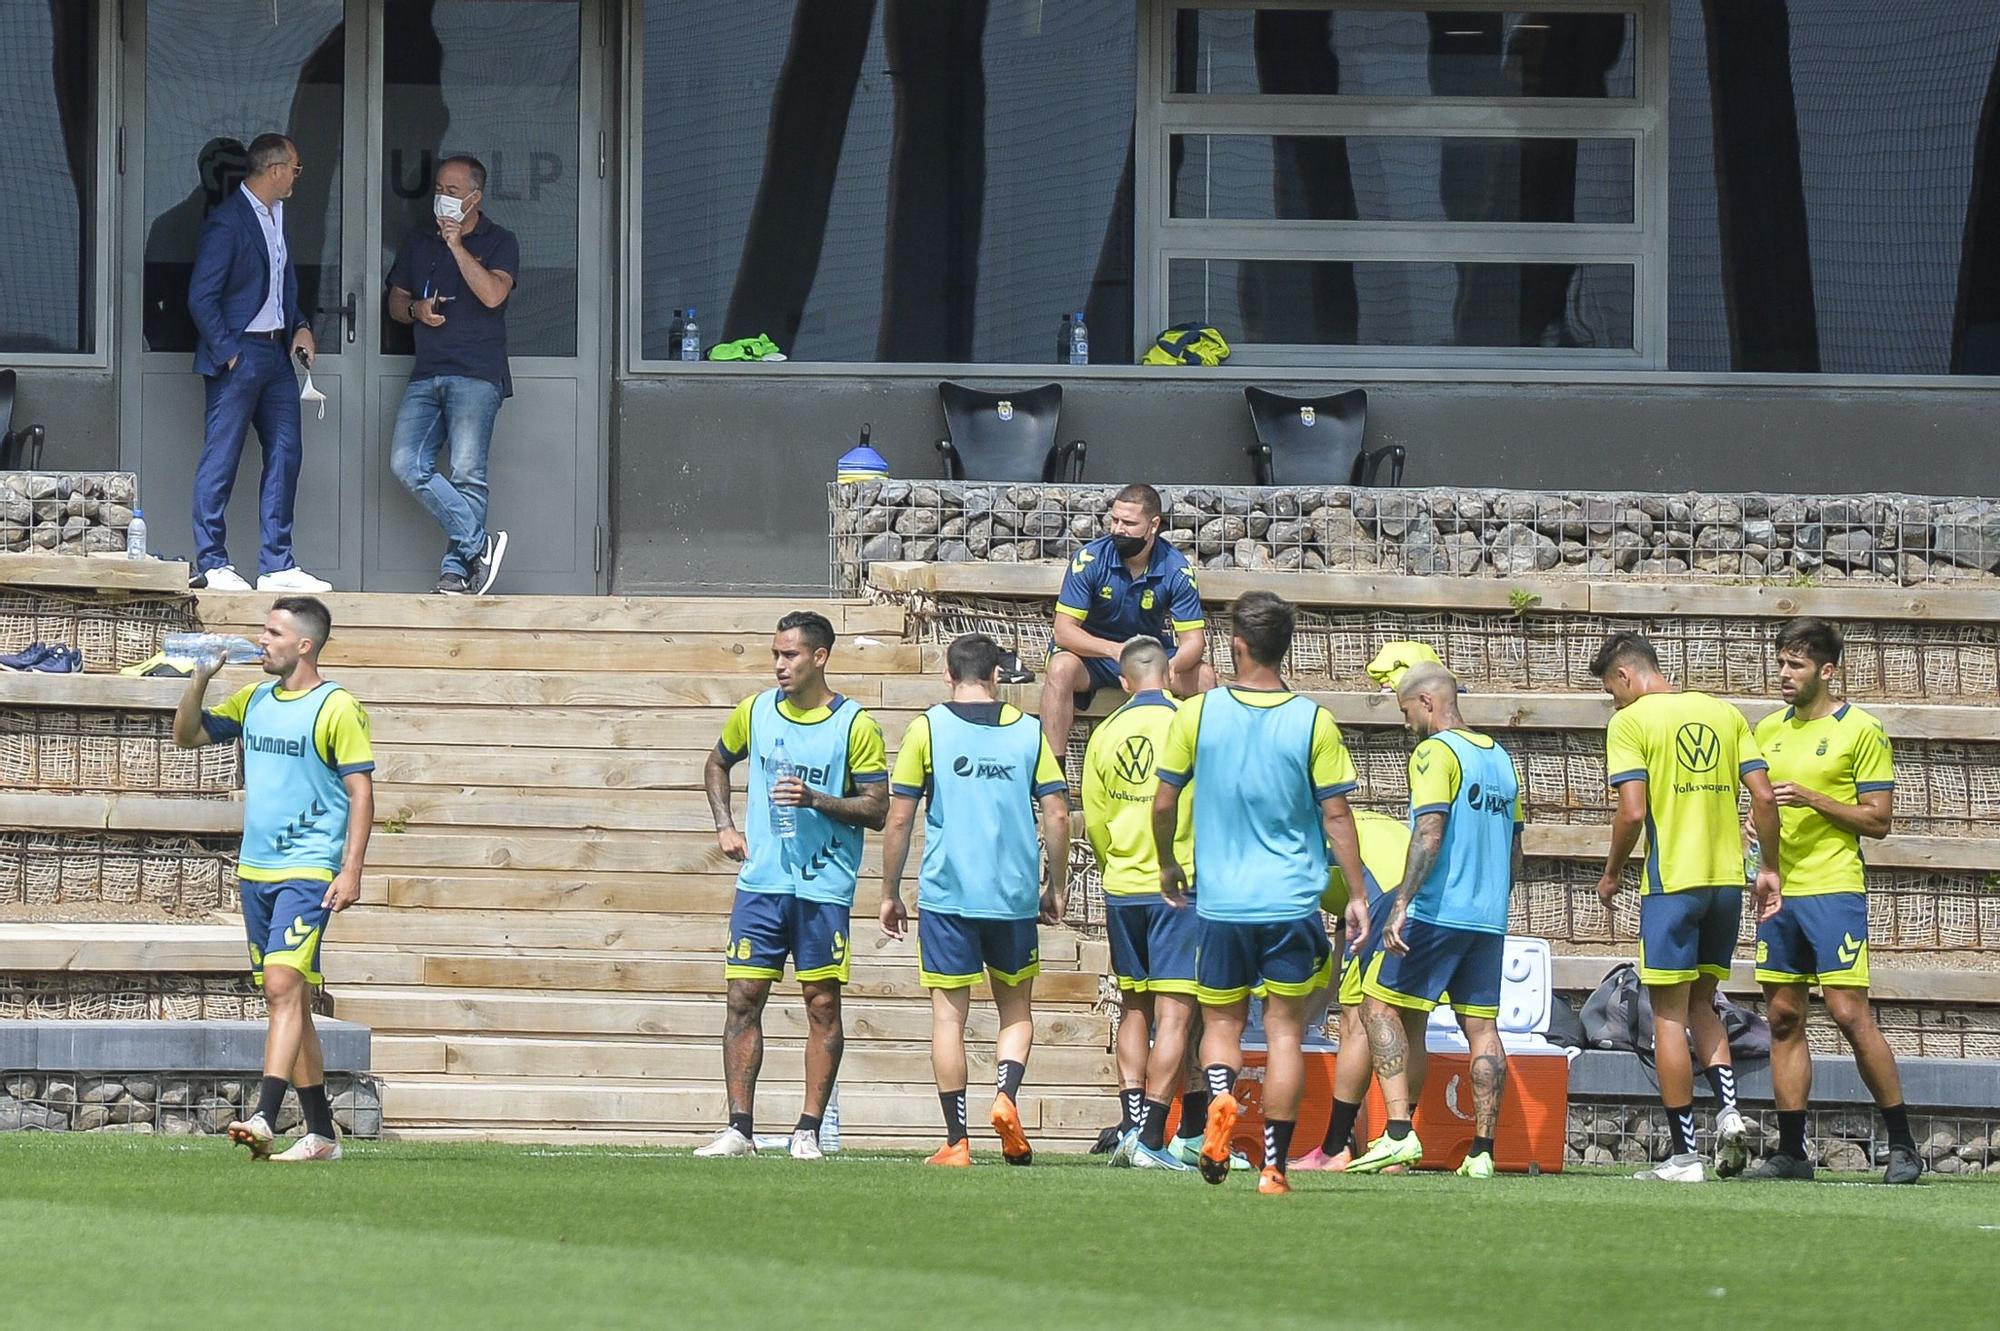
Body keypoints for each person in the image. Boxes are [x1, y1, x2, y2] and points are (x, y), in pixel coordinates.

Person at [1152, 591, 1370, 1195]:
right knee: (1283, 1034)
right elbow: (1337, 816)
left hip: (1221, 903)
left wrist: (1169, 864)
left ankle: (1221, 1101)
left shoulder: (1196, 715)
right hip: (1292, 902)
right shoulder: (1312, 720)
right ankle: (1274, 1165)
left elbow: (1165, 802)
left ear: (1237, 646)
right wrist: (1355, 893)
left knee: (1219, 1026)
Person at [172, 597, 373, 1161]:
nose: (261, 641)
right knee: (289, 998)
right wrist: (198, 682)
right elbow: (186, 736)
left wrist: (351, 868)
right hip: (255, 871)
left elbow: (361, 792)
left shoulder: (337, 707)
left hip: (308, 870)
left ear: (303, 645)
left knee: (283, 987)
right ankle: (321, 1136)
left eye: (272, 632)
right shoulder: (254, 698)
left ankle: (263, 1114)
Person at [697, 611, 889, 1159]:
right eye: (776, 654)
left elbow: (877, 809)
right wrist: (724, 825)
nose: (780, 665)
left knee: (821, 1003)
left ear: (820, 657)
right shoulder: (755, 711)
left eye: (791, 655)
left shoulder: (855, 724)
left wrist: (816, 800)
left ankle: (807, 1129)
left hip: (823, 887)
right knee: (742, 999)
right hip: (762, 884)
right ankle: (739, 1129)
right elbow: (716, 763)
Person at [1592, 631, 1780, 1183]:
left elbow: (1631, 812)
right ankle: (1728, 1114)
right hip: (1725, 884)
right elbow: (1764, 797)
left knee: (1667, 1018)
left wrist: (1611, 874)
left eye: (1613, 690)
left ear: (1625, 677)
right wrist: (1767, 867)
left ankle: (1683, 1156)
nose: (1616, 701)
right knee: (1706, 1005)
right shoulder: (1724, 713)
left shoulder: (1630, 723)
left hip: (1672, 883)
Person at [881, 633, 1071, 1166]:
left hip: (948, 897)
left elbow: (900, 816)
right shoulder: (1029, 732)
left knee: (949, 1019)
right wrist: (1055, 887)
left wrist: (889, 891)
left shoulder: (928, 729)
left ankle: (957, 1141)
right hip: (1012, 898)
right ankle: (1006, 1097)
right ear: (996, 676)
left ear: (948, 675)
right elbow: (1056, 814)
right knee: (1017, 1010)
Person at [1745, 619, 1919, 1184]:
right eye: (1780, 662)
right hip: (1780, 892)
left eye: (1795, 665)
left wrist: (1815, 799)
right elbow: (1757, 805)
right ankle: (1792, 1153)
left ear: (1827, 670)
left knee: (1847, 1013)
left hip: (1834, 887)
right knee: (1783, 1016)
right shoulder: (1767, 730)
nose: (1784, 674)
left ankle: (1902, 1144)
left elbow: (1880, 820)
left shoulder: (1860, 730)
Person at [1343, 664, 1522, 1179]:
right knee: (1481, 1028)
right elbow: (1516, 850)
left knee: (1376, 1007)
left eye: (1405, 713)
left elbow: (1428, 832)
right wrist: (1492, 903)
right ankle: (1483, 1152)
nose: (1406, 726)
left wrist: (1400, 903)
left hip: (1437, 910)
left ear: (1426, 701)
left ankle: (1398, 1134)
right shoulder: (1503, 760)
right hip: (1488, 917)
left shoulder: (1435, 753)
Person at [1082, 638, 1244, 1173]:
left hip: (1123, 884)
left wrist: (1115, 868)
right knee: (1178, 1015)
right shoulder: (1189, 723)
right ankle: (1154, 1135)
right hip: (1179, 885)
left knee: (1134, 1006)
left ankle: (1133, 1124)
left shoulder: (1104, 734)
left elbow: (1096, 819)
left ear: (1124, 682)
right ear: (1170, 674)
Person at [186, 133, 330, 595]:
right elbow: (200, 297)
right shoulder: (228, 222)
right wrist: (229, 350)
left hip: (275, 353)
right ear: (274, 170)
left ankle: (277, 564)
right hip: (240, 355)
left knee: (287, 453)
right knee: (221, 458)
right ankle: (212, 562)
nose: (297, 176)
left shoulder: (277, 216)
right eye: (295, 168)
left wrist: (301, 323)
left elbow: (282, 284)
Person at [386, 154, 521, 596]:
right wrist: (415, 310)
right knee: (407, 463)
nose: (442, 198)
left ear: (475, 198)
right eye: (439, 190)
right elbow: (396, 302)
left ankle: (455, 572)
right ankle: (478, 544)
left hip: (477, 374)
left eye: (453, 192)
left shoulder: (500, 240)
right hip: (427, 372)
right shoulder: (418, 240)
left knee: (467, 474)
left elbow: (493, 295)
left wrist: (457, 247)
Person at [1040, 483, 1212, 754]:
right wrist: (1115, 650)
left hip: (1147, 659)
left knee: (1204, 677)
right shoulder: (1090, 559)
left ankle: (1200, 772)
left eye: (1129, 523)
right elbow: (1063, 631)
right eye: (1115, 520)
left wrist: (1169, 668)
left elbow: (1194, 642)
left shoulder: (1176, 568)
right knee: (1060, 668)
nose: (1118, 529)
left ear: (1153, 525)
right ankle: (1053, 777)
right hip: (1093, 657)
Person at [1291, 808, 1411, 1171]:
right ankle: (1398, 1146)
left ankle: (1334, 1148)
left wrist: (1287, 1029)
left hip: (1385, 899)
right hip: (1424, 895)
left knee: (1357, 1021)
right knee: (1410, 1020)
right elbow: (1336, 967)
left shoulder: (1298, 849)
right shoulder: (1358, 825)